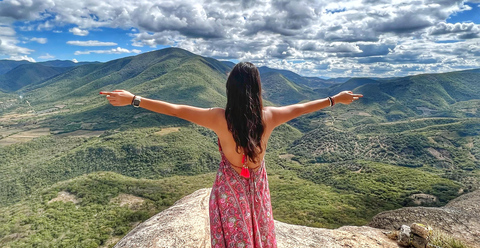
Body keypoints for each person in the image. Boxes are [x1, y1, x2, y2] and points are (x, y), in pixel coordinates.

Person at [100, 61, 363, 248]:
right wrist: (335, 99)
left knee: (235, 235)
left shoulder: (218, 118)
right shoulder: (268, 117)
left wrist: (134, 99)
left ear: (230, 89)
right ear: (257, 89)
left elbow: (176, 109)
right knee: (259, 228)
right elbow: (303, 108)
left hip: (230, 186)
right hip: (258, 184)